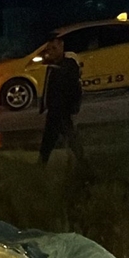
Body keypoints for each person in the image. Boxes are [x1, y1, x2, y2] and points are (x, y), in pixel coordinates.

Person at [38, 37, 85, 167]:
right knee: (53, 140)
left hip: (63, 111)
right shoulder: (53, 65)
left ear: (62, 46)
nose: (51, 52)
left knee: (66, 139)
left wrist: (73, 109)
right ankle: (82, 165)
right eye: (49, 49)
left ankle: (84, 167)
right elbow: (49, 87)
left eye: (54, 48)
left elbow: (75, 89)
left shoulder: (68, 65)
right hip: (55, 110)